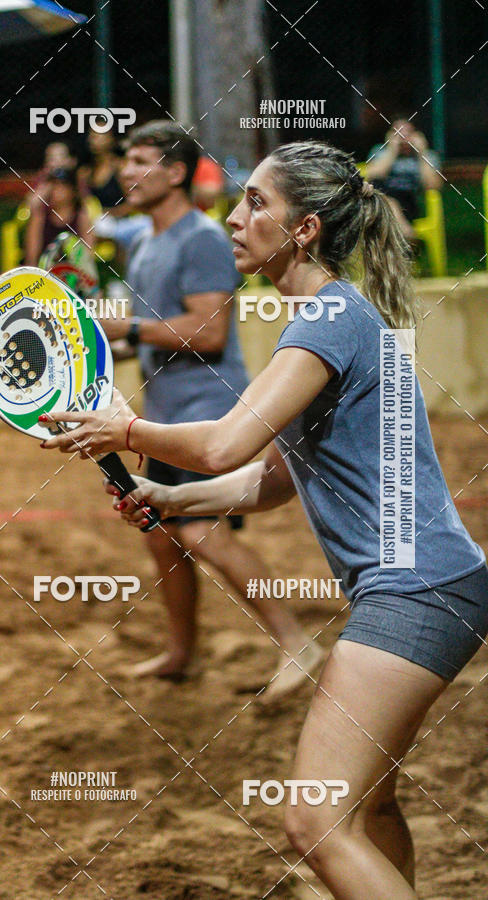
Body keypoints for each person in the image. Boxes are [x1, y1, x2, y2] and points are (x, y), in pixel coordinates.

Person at [40, 140, 488, 900]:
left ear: (304, 229)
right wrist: (169, 498)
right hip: (436, 586)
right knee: (367, 806)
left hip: (413, 593)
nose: (235, 217)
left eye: (256, 202)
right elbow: (274, 478)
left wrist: (127, 432)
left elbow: (223, 444)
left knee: (316, 823)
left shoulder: (327, 318)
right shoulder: (333, 314)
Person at [80, 119, 321, 698]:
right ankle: (182, 653)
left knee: (198, 531)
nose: (126, 171)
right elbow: (154, 334)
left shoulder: (203, 239)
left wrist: (125, 327)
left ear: (175, 172)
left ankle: (299, 644)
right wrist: (100, 347)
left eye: (140, 161)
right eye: (126, 160)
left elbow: (207, 333)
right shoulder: (144, 242)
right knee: (160, 534)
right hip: (165, 414)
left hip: (208, 411)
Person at [366, 118, 442, 240]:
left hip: (409, 201)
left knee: (390, 204)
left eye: (408, 133)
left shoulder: (428, 156)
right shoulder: (380, 151)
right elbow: (373, 176)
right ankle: (408, 235)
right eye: (397, 133)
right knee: (386, 200)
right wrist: (392, 150)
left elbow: (433, 186)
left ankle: (405, 236)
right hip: (380, 198)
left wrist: (422, 154)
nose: (403, 138)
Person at [24, 165, 94, 267]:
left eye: (61, 185)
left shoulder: (81, 215)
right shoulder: (41, 215)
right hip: (45, 269)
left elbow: (88, 253)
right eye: (53, 184)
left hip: (73, 271)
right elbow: (31, 257)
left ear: (72, 190)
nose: (54, 189)